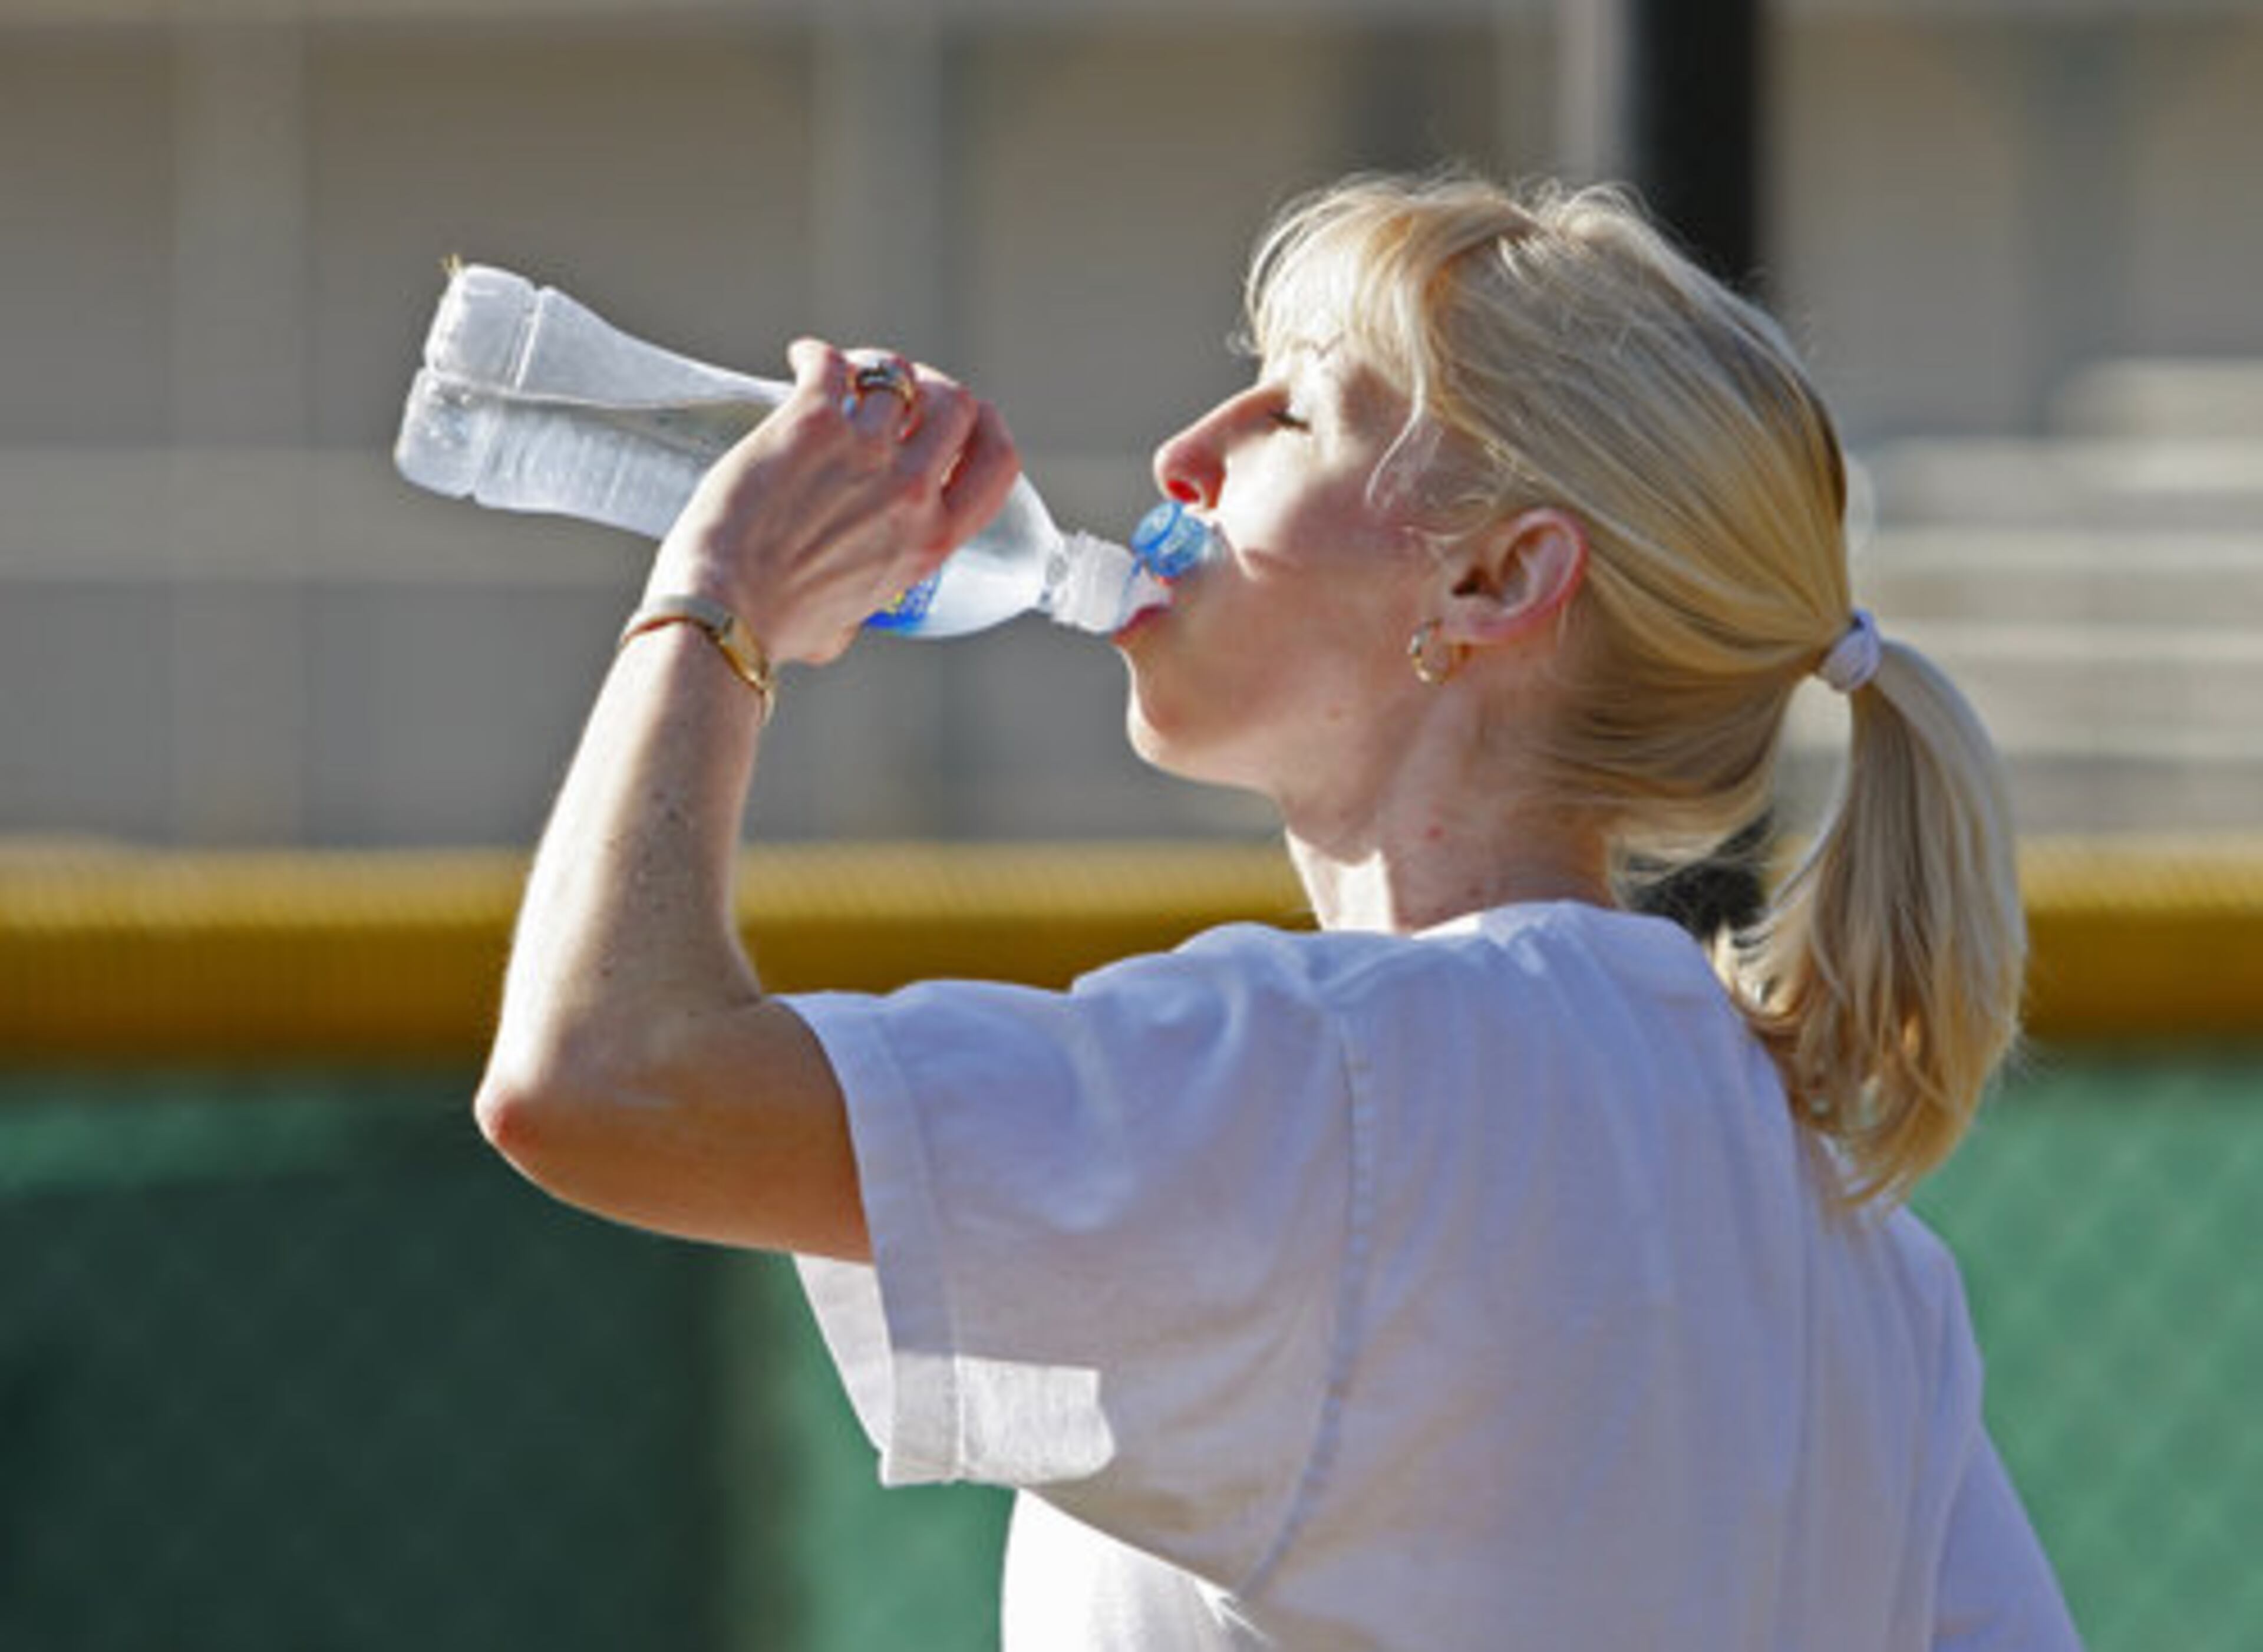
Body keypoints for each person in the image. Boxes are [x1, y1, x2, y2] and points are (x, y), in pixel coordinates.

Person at [473, 170, 2083, 1649]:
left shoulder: (1340, 1085)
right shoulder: (1859, 1257)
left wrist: (720, 592)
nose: (1187, 451)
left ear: (1496, 580)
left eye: (1297, 408)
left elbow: (604, 1077)